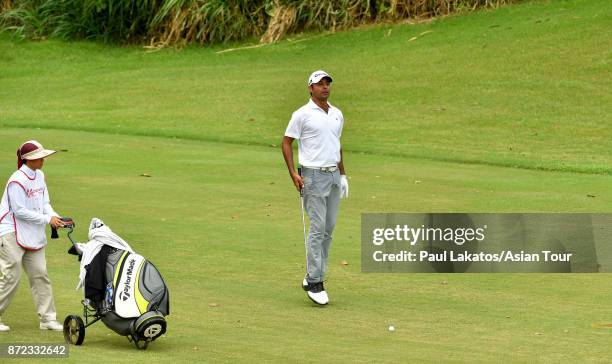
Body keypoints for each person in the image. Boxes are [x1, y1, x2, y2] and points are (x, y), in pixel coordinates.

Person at [282, 70, 349, 305]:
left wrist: (342, 174)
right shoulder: (302, 114)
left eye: (327, 83)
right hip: (311, 176)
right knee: (318, 227)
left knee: (329, 228)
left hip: (332, 175)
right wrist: (293, 173)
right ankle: (314, 280)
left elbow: (337, 145)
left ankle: (315, 271)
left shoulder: (337, 114)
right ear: (310, 88)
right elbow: (287, 142)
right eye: (320, 84)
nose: (325, 87)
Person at [0, 140, 66, 331]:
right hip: (10, 231)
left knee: (40, 275)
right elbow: (19, 211)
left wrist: (54, 216)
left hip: (32, 233)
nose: (43, 159)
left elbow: (45, 202)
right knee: (11, 275)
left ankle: (47, 319)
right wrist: (47, 220)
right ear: (28, 160)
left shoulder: (40, 175)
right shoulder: (16, 180)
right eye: (39, 157)